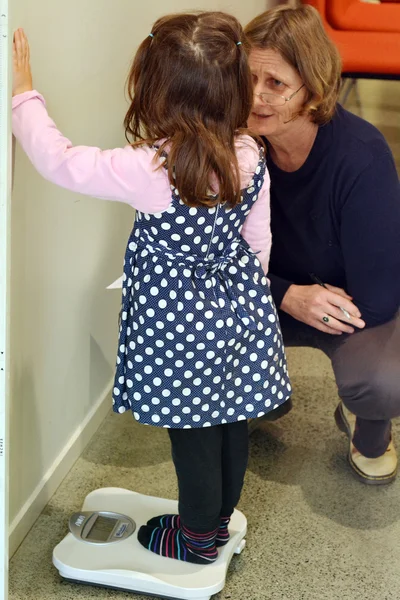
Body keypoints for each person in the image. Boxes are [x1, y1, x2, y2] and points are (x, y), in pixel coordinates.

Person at [12, 14, 292, 565]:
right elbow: (259, 240)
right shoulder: (250, 154)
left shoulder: (152, 168)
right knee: (233, 423)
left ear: (156, 90)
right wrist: (242, 300)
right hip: (239, 310)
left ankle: (194, 542)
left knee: (192, 436)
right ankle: (212, 525)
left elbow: (61, 162)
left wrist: (24, 96)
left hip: (178, 327)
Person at [244, 5, 400, 485]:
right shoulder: (230, 147)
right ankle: (251, 397)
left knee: (383, 381)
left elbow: (379, 299)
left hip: (353, 305)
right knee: (187, 310)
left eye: (275, 83)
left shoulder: (362, 156)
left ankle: (368, 430)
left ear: (312, 89)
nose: (255, 97)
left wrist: (317, 304)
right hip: (271, 291)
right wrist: (288, 294)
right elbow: (207, 260)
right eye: (247, 78)